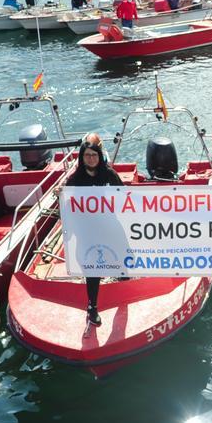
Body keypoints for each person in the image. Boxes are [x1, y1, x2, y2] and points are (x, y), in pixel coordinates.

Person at [66, 134, 125, 326]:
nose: (91, 158)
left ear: (100, 156)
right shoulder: (74, 180)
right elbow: (68, 208)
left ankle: (125, 290)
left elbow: (124, 197)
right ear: (82, 158)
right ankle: (92, 307)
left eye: (94, 155)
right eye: (87, 155)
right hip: (87, 230)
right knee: (92, 266)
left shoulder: (110, 175)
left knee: (124, 257)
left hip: (110, 224)